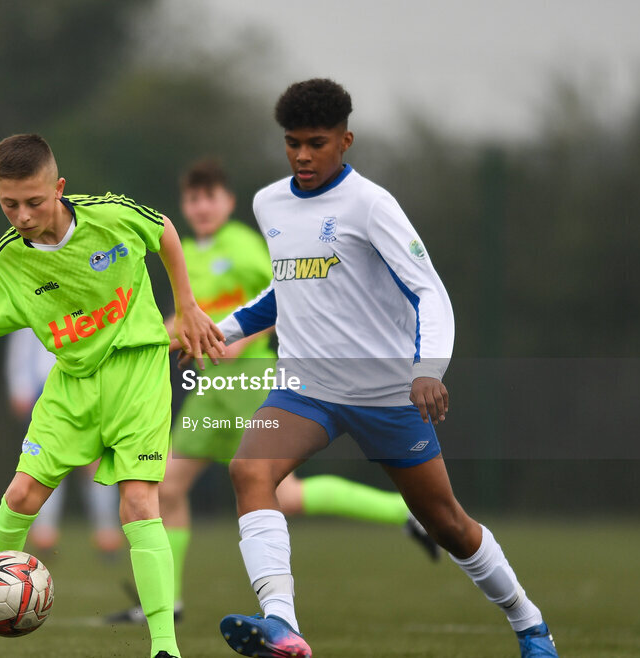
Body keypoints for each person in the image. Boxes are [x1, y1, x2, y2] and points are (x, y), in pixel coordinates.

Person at [210, 80, 559, 658]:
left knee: (447, 524)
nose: (301, 155)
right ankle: (281, 624)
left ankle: (530, 625)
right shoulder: (269, 202)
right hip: (306, 389)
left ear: (345, 141)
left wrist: (427, 369)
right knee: (249, 471)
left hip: (386, 393)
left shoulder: (371, 205)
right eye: (292, 143)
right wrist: (217, 332)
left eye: (316, 143)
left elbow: (430, 292)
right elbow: (282, 292)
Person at [0, 133, 223, 658]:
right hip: (72, 385)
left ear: (59, 188)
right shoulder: (9, 260)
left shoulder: (109, 216)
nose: (21, 214)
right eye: (9, 203)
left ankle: (164, 649)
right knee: (20, 497)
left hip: (137, 373)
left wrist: (188, 305)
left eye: (34, 201)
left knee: (137, 503)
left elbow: (165, 232)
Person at [107, 158, 439, 625]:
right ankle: (166, 603)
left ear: (228, 202)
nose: (201, 207)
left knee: (287, 495)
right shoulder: (189, 256)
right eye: (193, 198)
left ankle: (406, 511)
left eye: (210, 197)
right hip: (211, 390)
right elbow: (191, 322)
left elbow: (287, 301)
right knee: (168, 487)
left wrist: (234, 342)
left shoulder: (244, 248)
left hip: (252, 382)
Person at [4, 328, 124, 556]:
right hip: (45, 391)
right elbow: (21, 346)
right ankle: (44, 533)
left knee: (94, 461)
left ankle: (107, 532)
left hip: (89, 388)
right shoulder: (37, 299)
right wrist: (19, 388)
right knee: (45, 464)